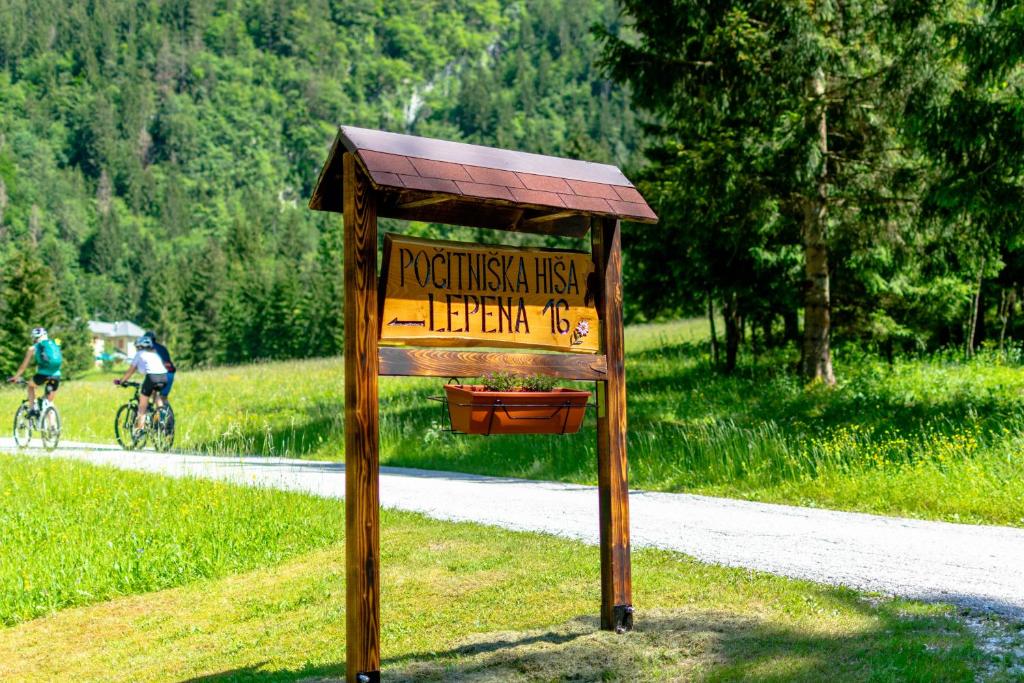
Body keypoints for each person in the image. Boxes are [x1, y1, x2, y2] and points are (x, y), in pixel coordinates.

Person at [114, 335, 168, 436]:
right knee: (155, 395)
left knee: (142, 406)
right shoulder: (154, 354)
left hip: (151, 378)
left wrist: (121, 381)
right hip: (164, 377)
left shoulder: (140, 354)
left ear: (138, 346)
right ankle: (162, 417)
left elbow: (131, 371)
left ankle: (140, 429)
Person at [8, 327, 62, 417]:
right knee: (49, 402)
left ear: (34, 338)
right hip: (56, 375)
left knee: (30, 386)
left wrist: (16, 377)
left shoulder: (33, 348)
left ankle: (32, 409)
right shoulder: (55, 343)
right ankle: (53, 427)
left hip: (42, 375)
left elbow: (23, 366)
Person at [144, 330, 176, 400]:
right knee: (163, 398)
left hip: (161, 374)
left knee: (148, 393)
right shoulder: (162, 347)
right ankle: (165, 410)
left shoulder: (149, 349)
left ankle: (154, 408)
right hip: (170, 374)